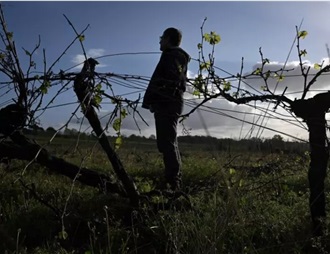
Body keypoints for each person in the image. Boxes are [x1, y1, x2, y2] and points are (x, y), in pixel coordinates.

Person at [142, 27, 190, 191]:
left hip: (167, 103)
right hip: (170, 102)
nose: (160, 41)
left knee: (167, 143)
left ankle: (173, 182)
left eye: (162, 38)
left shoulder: (171, 56)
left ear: (168, 39)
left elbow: (170, 80)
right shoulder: (177, 56)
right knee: (169, 142)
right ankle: (173, 180)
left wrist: (157, 98)